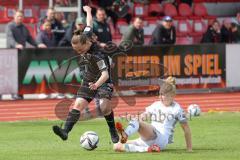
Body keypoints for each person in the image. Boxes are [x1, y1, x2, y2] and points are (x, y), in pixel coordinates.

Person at [52, 6, 119, 143]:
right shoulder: (85, 35)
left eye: (81, 50)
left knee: (105, 107)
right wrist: (88, 12)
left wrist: (97, 85)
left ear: (87, 44)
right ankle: (65, 131)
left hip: (102, 81)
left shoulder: (98, 55)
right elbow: (89, 23)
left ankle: (112, 129)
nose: (79, 53)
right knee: (78, 105)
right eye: (76, 50)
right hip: (89, 79)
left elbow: (105, 75)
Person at [113, 77, 192, 152]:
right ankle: (148, 149)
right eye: (159, 94)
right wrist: (133, 117)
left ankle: (125, 134)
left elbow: (186, 129)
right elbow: (143, 116)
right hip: (148, 138)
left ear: (172, 95)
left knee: (137, 122)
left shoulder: (177, 109)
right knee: (117, 146)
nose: (160, 97)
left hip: (161, 138)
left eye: (163, 95)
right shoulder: (156, 105)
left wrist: (189, 148)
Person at [6, 10, 37, 100]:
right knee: (12, 75)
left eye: (21, 16)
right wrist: (16, 45)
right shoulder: (10, 26)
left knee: (21, 74)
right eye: (18, 16)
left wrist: (37, 44)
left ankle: (20, 92)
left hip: (22, 54)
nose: (20, 18)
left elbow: (29, 38)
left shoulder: (24, 27)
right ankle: (13, 93)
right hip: (12, 54)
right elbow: (10, 38)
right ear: (14, 17)